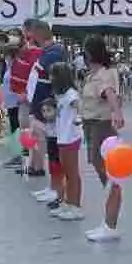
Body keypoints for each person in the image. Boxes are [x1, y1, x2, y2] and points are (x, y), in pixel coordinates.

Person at [80, 36, 126, 242]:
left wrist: (117, 112)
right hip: (90, 123)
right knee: (98, 164)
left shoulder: (105, 74)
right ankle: (109, 218)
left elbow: (109, 93)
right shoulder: (93, 74)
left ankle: (110, 221)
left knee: (106, 169)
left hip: (101, 124)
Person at [26, 22, 68, 209]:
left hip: (48, 112)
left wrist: (47, 109)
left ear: (39, 34)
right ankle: (53, 187)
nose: (29, 38)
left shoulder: (54, 54)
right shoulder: (46, 52)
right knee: (50, 153)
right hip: (40, 109)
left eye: (31, 34)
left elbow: (55, 84)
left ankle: (58, 189)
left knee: (54, 153)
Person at [49, 62, 84, 221]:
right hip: (62, 137)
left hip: (70, 137)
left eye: (53, 75)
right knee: (66, 172)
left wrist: (78, 117)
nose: (50, 79)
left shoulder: (71, 94)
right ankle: (68, 203)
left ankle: (75, 206)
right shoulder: (61, 95)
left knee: (72, 173)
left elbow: (78, 106)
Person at [8, 21, 43, 173]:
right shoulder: (26, 49)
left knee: (30, 131)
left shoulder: (35, 52)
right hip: (23, 96)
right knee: (26, 131)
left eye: (23, 31)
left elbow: (32, 74)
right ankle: (29, 163)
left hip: (28, 97)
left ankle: (33, 165)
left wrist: (25, 93)